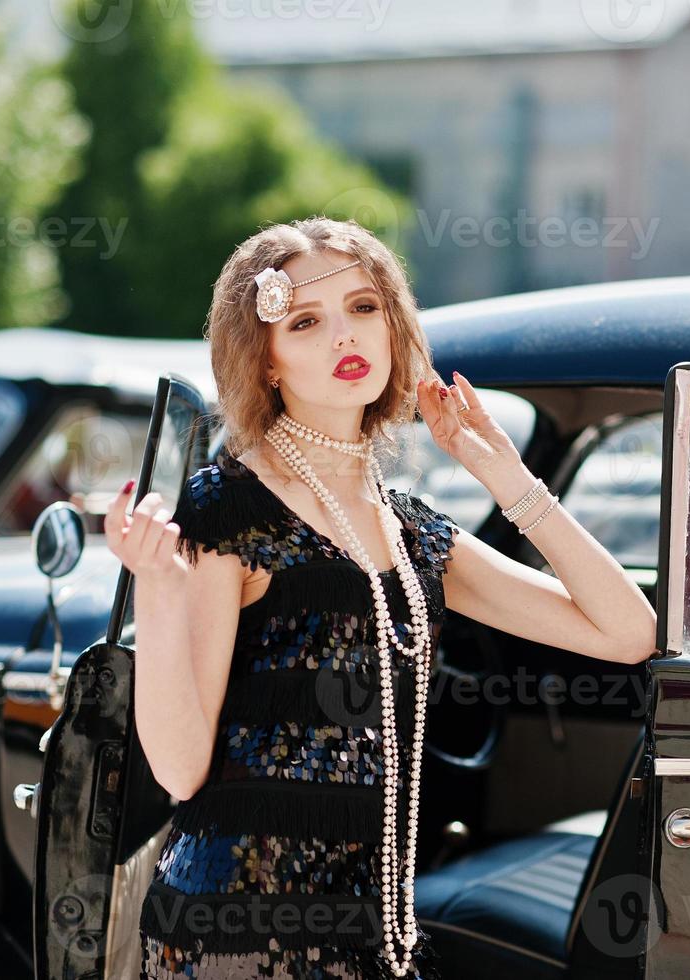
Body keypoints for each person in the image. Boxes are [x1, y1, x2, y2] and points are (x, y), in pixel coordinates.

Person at [104, 216, 657, 980]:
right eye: (304, 321)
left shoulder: (412, 532)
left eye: (362, 307)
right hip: (239, 924)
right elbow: (179, 770)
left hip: (374, 928)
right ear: (264, 360)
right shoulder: (227, 507)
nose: (343, 337)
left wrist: (503, 475)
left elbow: (627, 632)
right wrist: (160, 592)